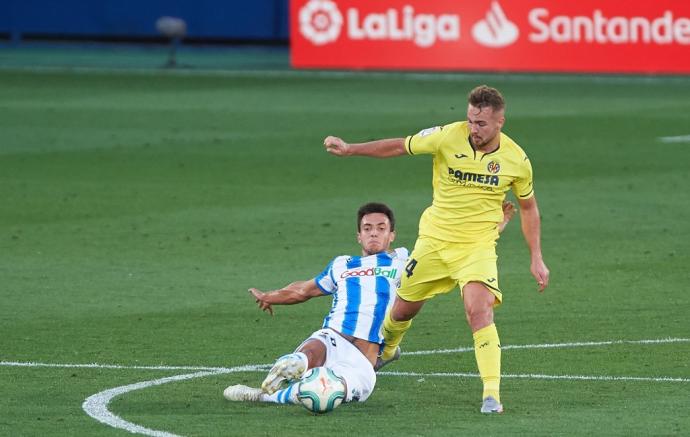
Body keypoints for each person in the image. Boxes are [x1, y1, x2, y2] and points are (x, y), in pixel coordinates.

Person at [323, 85, 550, 414]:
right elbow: (399, 146)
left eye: (482, 124)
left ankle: (492, 395)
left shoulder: (516, 160)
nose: (473, 129)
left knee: (479, 310)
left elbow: (529, 208)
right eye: (471, 120)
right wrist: (350, 149)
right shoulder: (447, 136)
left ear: (500, 121)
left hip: (476, 247)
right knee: (402, 310)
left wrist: (536, 257)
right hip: (433, 242)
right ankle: (388, 350)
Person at [224, 200, 518, 408]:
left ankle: (264, 397)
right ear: (358, 235)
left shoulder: (406, 261)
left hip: (364, 357)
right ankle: (273, 382)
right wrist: (269, 295)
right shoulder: (342, 265)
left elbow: (456, 249)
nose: (373, 232)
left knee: (323, 398)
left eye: (380, 227)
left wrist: (498, 227)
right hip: (331, 337)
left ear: (392, 235)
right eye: (367, 228)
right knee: (295, 362)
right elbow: (305, 290)